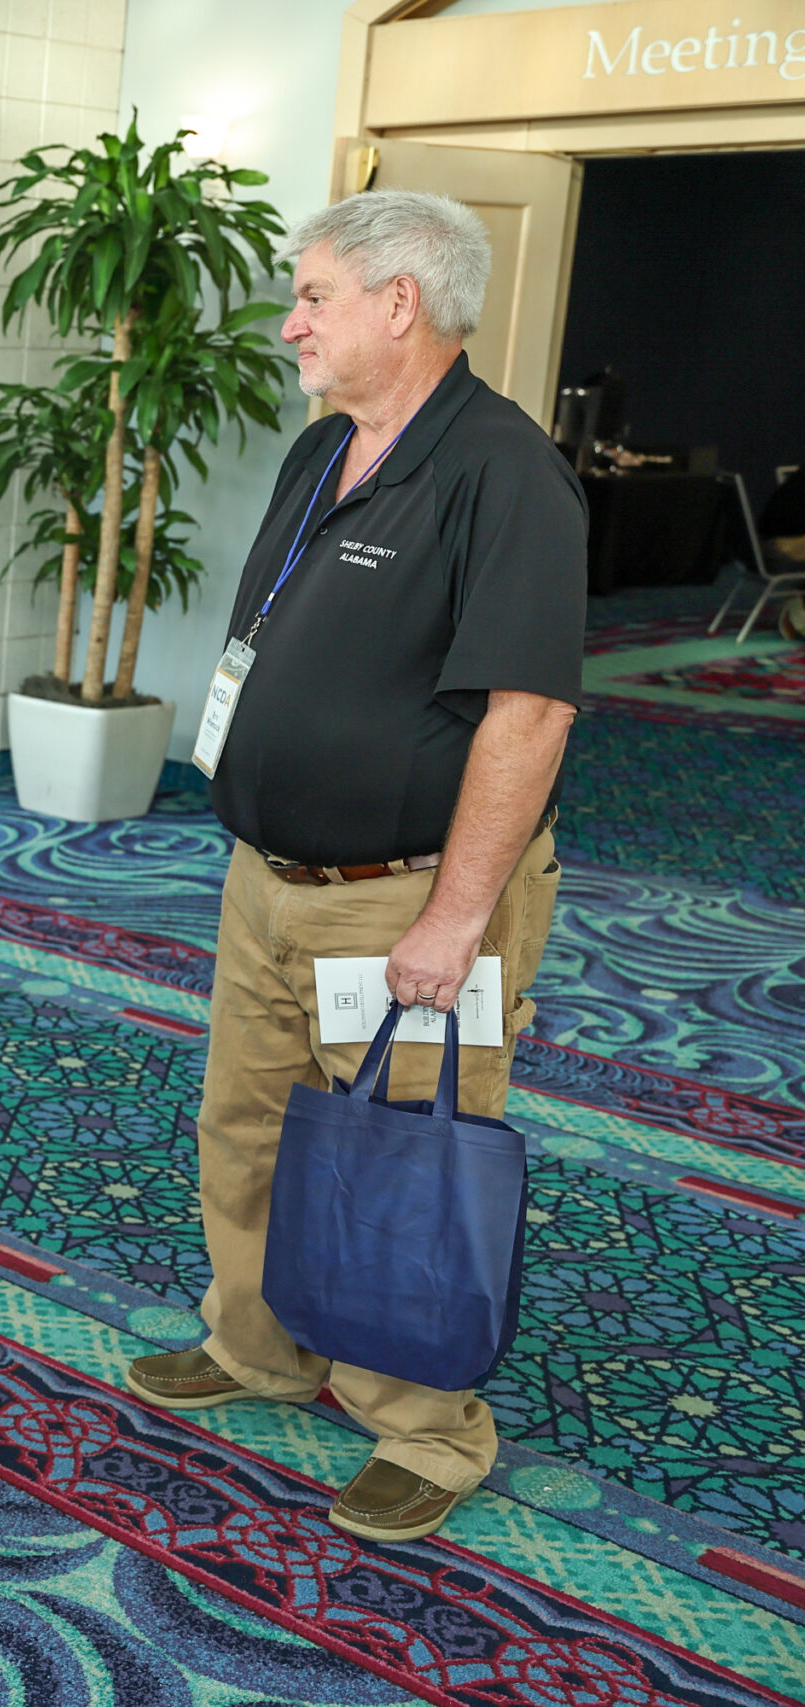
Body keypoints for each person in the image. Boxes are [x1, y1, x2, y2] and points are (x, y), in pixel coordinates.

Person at [125, 191, 584, 1545]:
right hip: (270, 879)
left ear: (400, 301)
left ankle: (425, 1426)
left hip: (410, 895)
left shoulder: (505, 473)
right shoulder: (326, 446)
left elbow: (528, 715)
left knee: (405, 1157)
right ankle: (260, 1343)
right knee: (247, 1125)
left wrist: (456, 916)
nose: (292, 324)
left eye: (313, 296)